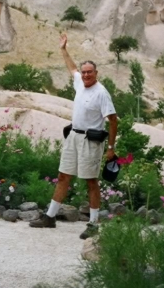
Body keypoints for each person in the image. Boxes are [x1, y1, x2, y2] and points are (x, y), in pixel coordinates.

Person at [30, 33, 117, 240]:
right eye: (84, 72)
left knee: (91, 181)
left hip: (91, 140)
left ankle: (94, 224)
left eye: (90, 72)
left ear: (96, 73)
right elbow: (72, 69)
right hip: (73, 137)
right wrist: (63, 49)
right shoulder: (79, 82)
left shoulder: (101, 93)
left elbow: (113, 120)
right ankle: (50, 217)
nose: (86, 75)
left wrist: (111, 148)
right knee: (63, 176)